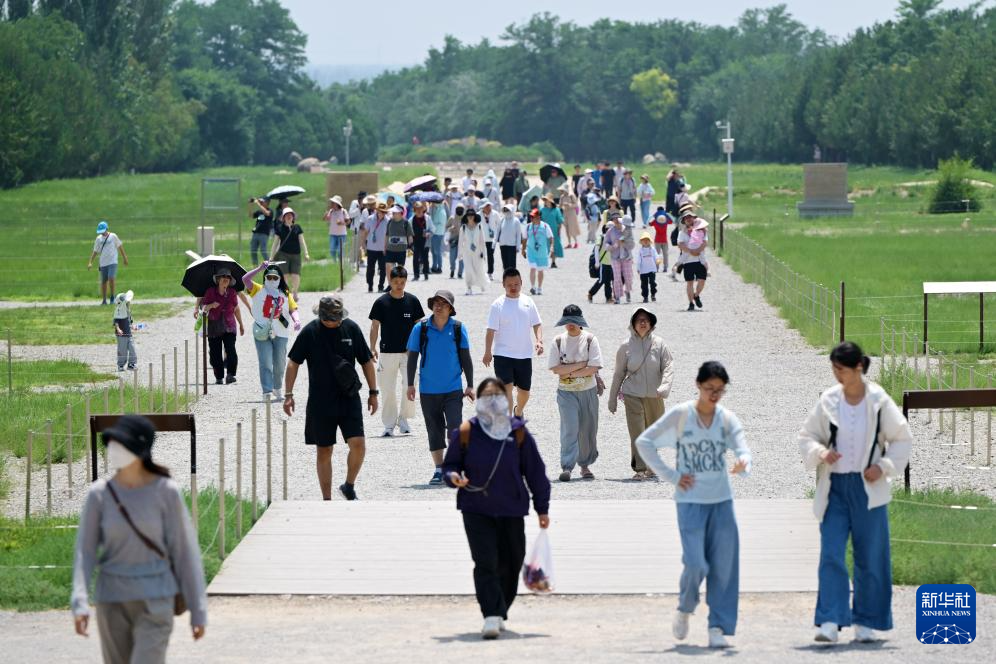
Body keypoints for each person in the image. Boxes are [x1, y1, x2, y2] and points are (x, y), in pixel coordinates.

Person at [797, 341, 913, 645]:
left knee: (870, 556)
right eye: (833, 369)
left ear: (858, 367)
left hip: (868, 488)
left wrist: (884, 466)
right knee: (832, 552)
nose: (837, 375)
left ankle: (866, 622)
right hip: (835, 488)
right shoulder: (828, 400)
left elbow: (902, 438)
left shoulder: (879, 401)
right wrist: (821, 452)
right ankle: (830, 621)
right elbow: (807, 436)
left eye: (842, 369)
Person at [635, 361, 752, 649]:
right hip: (690, 502)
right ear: (698, 385)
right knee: (696, 563)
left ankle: (718, 627)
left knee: (724, 565)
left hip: (721, 501)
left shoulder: (726, 418)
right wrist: (672, 476)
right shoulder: (682, 415)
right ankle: (685, 608)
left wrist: (743, 463)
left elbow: (742, 448)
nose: (714, 395)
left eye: (720, 390)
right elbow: (645, 442)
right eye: (709, 388)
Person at [72, 414, 207, 662]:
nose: (112, 449)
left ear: (140, 449)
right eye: (111, 443)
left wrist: (198, 610)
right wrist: (79, 601)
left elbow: (185, 552)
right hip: (111, 600)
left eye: (120, 444)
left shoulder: (166, 491)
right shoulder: (99, 495)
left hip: (156, 600)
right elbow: (85, 552)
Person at [442, 377, 550, 640]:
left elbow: (536, 472)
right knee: (485, 561)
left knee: (512, 561)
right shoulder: (467, 431)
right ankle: (490, 614)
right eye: (487, 396)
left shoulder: (518, 432)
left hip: (512, 508)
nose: (492, 401)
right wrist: (453, 477)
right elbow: (450, 465)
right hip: (476, 507)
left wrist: (542, 508)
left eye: (497, 395)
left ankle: (500, 609)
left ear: (506, 399)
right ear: (478, 400)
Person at [284, 295, 378, 501]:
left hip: (349, 397)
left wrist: (373, 392)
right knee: (324, 450)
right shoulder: (310, 332)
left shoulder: (352, 329)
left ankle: (349, 485)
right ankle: (327, 500)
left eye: (335, 318)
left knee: (358, 445)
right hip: (320, 401)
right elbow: (293, 363)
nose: (331, 322)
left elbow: (366, 361)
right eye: (327, 318)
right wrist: (288, 394)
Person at [406, 290, 474, 485]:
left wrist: (470, 384)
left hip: (453, 388)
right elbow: (412, 357)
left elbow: (466, 358)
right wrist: (410, 384)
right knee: (434, 430)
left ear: (450, 309)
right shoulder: (421, 328)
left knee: (454, 427)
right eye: (436, 302)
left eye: (443, 304)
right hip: (428, 389)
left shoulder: (458, 328)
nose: (439, 306)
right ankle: (438, 469)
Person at [608, 307, 674, 480]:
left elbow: (668, 367)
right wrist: (612, 399)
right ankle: (640, 468)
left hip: (655, 395)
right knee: (637, 431)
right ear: (633, 324)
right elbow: (618, 373)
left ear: (651, 323)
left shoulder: (660, 344)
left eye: (646, 319)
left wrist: (665, 387)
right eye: (639, 320)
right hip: (632, 394)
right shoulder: (625, 346)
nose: (643, 322)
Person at [549, 305, 602, 482]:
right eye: (567, 321)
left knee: (588, 429)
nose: (570, 324)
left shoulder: (590, 339)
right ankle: (567, 466)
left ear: (581, 322)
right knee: (569, 428)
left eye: (574, 321)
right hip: (566, 393)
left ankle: (585, 465)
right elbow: (555, 369)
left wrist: (569, 372)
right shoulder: (558, 341)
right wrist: (581, 365)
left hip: (588, 391)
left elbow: (594, 367)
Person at [369, 266, 425, 437]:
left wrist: (418, 347)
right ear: (390, 281)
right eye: (395, 282)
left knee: (410, 385)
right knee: (387, 389)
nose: (399, 285)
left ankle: (404, 418)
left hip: (409, 353)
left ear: (406, 281)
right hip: (387, 353)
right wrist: (372, 347)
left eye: (402, 282)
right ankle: (389, 424)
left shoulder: (413, 301)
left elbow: (419, 326)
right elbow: (375, 326)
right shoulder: (381, 302)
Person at [483, 268, 543, 417]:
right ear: (503, 285)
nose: (513, 287)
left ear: (521, 282)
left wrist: (539, 341)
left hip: (524, 355)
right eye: (509, 285)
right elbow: (490, 330)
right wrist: (487, 352)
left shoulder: (528, 302)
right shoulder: (497, 305)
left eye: (516, 284)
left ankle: (518, 411)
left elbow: (537, 323)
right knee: (506, 388)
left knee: (524, 392)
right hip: (503, 354)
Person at [242, 262, 300, 400]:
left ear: (280, 278)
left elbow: (292, 309)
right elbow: (245, 279)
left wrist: (297, 320)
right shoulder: (257, 289)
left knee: (280, 362)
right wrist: (259, 268)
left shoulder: (285, 293)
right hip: (262, 331)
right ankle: (267, 390)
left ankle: (277, 388)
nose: (272, 280)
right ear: (265, 278)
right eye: (269, 277)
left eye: (275, 277)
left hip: (281, 331)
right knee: (266, 361)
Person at [196, 268, 244, 385]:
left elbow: (236, 309)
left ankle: (231, 375)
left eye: (228, 277)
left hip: (229, 326)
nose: (225, 279)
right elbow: (203, 308)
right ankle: (219, 377)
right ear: (218, 279)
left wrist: (241, 324)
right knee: (215, 353)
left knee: (231, 350)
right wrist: (212, 305)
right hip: (214, 326)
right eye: (223, 276)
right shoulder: (210, 292)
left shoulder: (232, 293)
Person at [270, 208, 310, 300]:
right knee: (285, 275)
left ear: (293, 217)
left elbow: (302, 241)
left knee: (296, 275)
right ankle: (286, 293)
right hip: (283, 255)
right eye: (287, 215)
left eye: (291, 215)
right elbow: (275, 243)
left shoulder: (297, 227)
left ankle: (295, 292)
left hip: (296, 255)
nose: (289, 216)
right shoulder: (279, 228)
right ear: (283, 217)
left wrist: (306, 253)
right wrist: (271, 256)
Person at [88, 221, 129, 305]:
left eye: (103, 231)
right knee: (104, 281)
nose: (102, 233)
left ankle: (112, 297)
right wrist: (90, 262)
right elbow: (95, 251)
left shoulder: (113, 236)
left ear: (106, 229)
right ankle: (104, 300)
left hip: (113, 261)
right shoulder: (98, 239)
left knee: (111, 278)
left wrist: (124, 258)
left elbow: (120, 247)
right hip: (103, 263)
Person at [677, 206, 709, 311]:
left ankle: (696, 295)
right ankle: (691, 303)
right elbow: (680, 244)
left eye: (690, 217)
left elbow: (705, 242)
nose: (689, 219)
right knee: (689, 282)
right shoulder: (682, 233)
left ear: (694, 218)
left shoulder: (702, 230)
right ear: (684, 220)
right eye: (686, 218)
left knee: (702, 281)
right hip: (688, 261)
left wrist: (697, 250)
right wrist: (691, 251)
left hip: (700, 259)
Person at [522, 209, 554, 295]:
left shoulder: (545, 226)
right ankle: (533, 287)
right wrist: (523, 250)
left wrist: (551, 247)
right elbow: (524, 239)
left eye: (534, 217)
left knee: (540, 270)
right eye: (531, 217)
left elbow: (551, 237)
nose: (532, 218)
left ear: (539, 217)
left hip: (542, 252)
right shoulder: (528, 226)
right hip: (531, 251)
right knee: (532, 267)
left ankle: (539, 288)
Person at [605, 214, 635, 304]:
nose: (616, 221)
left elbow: (632, 245)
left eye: (617, 219)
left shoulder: (627, 229)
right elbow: (606, 244)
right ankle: (617, 297)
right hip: (615, 257)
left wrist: (624, 243)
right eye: (614, 220)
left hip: (626, 257)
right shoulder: (610, 231)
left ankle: (628, 291)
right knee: (617, 277)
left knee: (628, 277)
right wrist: (613, 246)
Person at [458, 210, 488, 295]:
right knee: (468, 270)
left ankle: (482, 284)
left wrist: (484, 253)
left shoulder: (479, 226)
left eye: (472, 215)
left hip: (477, 252)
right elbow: (460, 242)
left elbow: (482, 241)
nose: (470, 216)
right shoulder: (463, 228)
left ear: (475, 216)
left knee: (479, 269)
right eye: (468, 215)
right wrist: (459, 254)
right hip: (467, 252)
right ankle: (469, 287)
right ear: (466, 217)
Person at [361, 202, 389, 293]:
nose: (382, 213)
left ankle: (381, 286)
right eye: (381, 211)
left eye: (384, 212)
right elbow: (365, 232)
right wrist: (363, 244)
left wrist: (387, 247)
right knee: (370, 268)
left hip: (383, 249)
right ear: (377, 211)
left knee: (383, 269)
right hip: (371, 248)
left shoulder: (388, 220)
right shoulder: (370, 219)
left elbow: (388, 235)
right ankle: (370, 285)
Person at [384, 205, 413, 281]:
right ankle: (390, 284)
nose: (393, 213)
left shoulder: (406, 223)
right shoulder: (390, 222)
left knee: (400, 270)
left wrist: (410, 247)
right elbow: (387, 235)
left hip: (401, 250)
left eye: (395, 212)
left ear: (400, 213)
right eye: (393, 212)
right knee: (388, 267)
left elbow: (410, 236)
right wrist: (384, 247)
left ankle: (398, 284)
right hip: (390, 249)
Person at [587, 224, 614, 304]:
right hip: (602, 263)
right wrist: (597, 262)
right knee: (601, 280)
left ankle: (608, 298)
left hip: (610, 263)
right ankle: (591, 293)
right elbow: (596, 249)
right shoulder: (601, 237)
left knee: (608, 281)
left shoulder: (613, 238)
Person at [113, 290, 137, 371]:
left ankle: (131, 364)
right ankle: (120, 365)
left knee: (132, 348)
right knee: (122, 350)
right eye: (127, 302)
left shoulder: (127, 311)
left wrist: (133, 326)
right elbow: (116, 322)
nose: (129, 303)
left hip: (129, 333)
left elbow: (130, 321)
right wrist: (118, 329)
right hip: (121, 335)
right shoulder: (118, 311)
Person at [496, 203, 523, 271]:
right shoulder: (502, 220)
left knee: (512, 264)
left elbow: (518, 235)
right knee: (505, 263)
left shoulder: (516, 221)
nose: (506, 212)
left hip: (512, 245)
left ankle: (512, 276)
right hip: (503, 245)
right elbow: (497, 231)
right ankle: (506, 276)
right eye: (505, 210)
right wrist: (494, 243)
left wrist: (518, 246)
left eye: (508, 210)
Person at [248, 197, 274, 266]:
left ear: (268, 202)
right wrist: (250, 205)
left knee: (263, 251)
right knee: (253, 250)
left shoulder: (270, 210)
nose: (261, 202)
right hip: (256, 233)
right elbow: (251, 215)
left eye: (263, 201)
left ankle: (269, 265)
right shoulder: (259, 212)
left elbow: (267, 213)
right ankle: (255, 266)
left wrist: (258, 203)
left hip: (264, 234)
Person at [540, 195, 564, 268]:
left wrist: (559, 230)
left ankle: (553, 262)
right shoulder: (542, 210)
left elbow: (560, 221)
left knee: (555, 246)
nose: (545, 202)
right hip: (544, 231)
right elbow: (539, 221)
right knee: (545, 246)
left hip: (554, 231)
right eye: (544, 200)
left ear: (550, 201)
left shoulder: (556, 210)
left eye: (546, 200)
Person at [410, 202, 432, 281]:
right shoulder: (411, 219)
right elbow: (408, 231)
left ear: (423, 209)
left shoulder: (428, 218)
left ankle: (426, 273)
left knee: (425, 258)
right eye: (417, 209)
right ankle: (416, 275)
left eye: (420, 209)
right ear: (414, 210)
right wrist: (410, 240)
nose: (419, 211)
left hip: (425, 241)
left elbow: (433, 229)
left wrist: (429, 233)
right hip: (415, 241)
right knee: (415, 258)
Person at [323, 195, 349, 262]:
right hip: (333, 234)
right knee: (332, 250)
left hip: (342, 234)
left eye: (333, 203)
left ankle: (340, 263)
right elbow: (325, 219)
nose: (331, 204)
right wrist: (326, 214)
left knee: (340, 251)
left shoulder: (343, 211)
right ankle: (334, 262)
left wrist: (341, 223)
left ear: (337, 204)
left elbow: (348, 221)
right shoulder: (331, 211)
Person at [479, 200, 500, 280]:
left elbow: (499, 225)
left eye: (489, 205)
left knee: (490, 256)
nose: (488, 207)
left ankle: (490, 272)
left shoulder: (495, 214)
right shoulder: (478, 215)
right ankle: (480, 272)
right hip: (481, 239)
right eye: (486, 206)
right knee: (481, 256)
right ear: (483, 207)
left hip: (492, 239)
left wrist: (498, 236)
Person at [637, 232, 658, 303]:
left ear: (650, 241)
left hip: (652, 269)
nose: (645, 241)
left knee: (653, 282)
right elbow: (639, 260)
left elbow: (656, 256)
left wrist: (658, 260)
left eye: (647, 240)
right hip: (643, 270)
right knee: (644, 284)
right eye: (644, 240)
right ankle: (645, 297)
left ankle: (653, 294)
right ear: (641, 242)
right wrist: (638, 268)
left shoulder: (652, 249)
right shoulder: (640, 250)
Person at [445, 205, 465, 280]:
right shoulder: (452, 218)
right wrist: (451, 228)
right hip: (453, 240)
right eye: (458, 209)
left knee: (461, 258)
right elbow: (446, 227)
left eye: (461, 209)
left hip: (462, 241)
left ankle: (460, 273)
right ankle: (452, 270)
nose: (459, 210)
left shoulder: (465, 219)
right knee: (452, 257)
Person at [559, 184, 581, 249]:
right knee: (567, 229)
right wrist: (561, 206)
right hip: (565, 213)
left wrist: (569, 205)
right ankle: (569, 243)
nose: (562, 191)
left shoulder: (571, 195)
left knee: (572, 228)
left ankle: (576, 242)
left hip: (572, 214)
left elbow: (576, 205)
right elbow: (560, 205)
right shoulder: (562, 197)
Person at [429, 200, 448, 274]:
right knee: (434, 251)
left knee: (437, 251)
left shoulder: (441, 211)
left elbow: (441, 224)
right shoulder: (436, 209)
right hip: (435, 233)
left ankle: (439, 267)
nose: (432, 203)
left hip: (438, 233)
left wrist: (432, 226)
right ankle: (434, 266)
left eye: (434, 202)